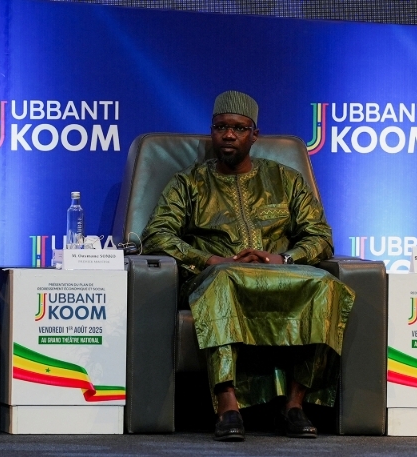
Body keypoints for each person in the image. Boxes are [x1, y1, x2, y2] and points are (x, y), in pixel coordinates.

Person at [141, 90, 355, 441]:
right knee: (224, 279)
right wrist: (211, 260)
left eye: (238, 128)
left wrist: (282, 259)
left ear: (254, 134)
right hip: (213, 277)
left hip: (278, 277)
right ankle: (227, 405)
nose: (228, 135)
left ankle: (295, 405)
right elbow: (158, 235)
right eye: (221, 127)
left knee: (326, 285)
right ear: (212, 132)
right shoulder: (190, 182)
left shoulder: (285, 181)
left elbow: (319, 236)